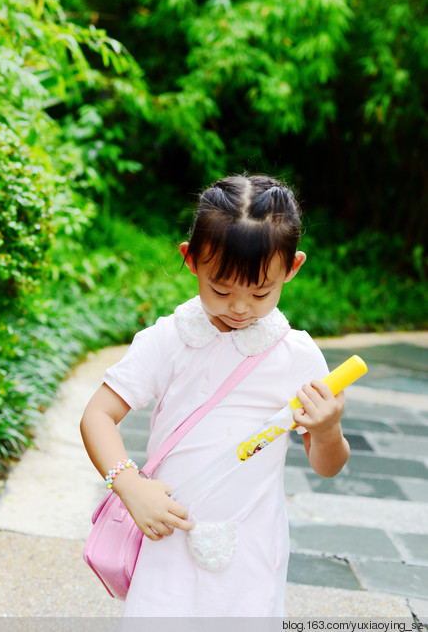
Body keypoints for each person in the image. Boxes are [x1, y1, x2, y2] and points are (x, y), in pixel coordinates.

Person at [80, 174, 350, 618]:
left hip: (252, 551)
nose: (240, 307)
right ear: (191, 260)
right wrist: (129, 487)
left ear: (293, 267)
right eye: (220, 289)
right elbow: (97, 416)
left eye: (261, 292)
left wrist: (327, 428)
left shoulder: (296, 355)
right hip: (165, 536)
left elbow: (328, 465)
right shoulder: (169, 339)